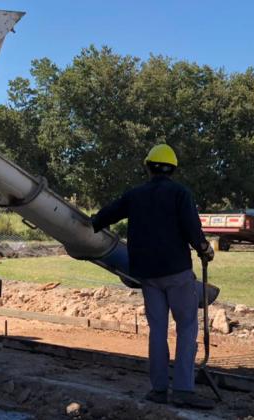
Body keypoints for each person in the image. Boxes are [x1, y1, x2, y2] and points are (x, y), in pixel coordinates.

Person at [91, 144, 215, 409]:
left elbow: (104, 216)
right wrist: (205, 248)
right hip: (177, 272)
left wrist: (92, 221)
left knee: (157, 330)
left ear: (148, 167)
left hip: (147, 274)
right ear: (173, 169)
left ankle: (159, 389)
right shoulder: (180, 193)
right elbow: (193, 229)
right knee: (186, 327)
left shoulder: (135, 195)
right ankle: (183, 389)